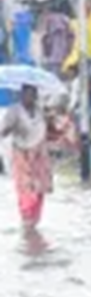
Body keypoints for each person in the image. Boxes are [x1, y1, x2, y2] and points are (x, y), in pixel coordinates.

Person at [1, 85, 54, 231]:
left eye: (32, 94)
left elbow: (51, 130)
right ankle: (26, 220)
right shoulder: (14, 111)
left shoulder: (41, 110)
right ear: (21, 95)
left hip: (40, 155)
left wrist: (51, 119)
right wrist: (11, 127)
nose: (29, 98)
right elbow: (3, 131)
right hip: (22, 154)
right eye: (26, 94)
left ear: (36, 95)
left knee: (40, 189)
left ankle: (35, 221)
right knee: (25, 188)